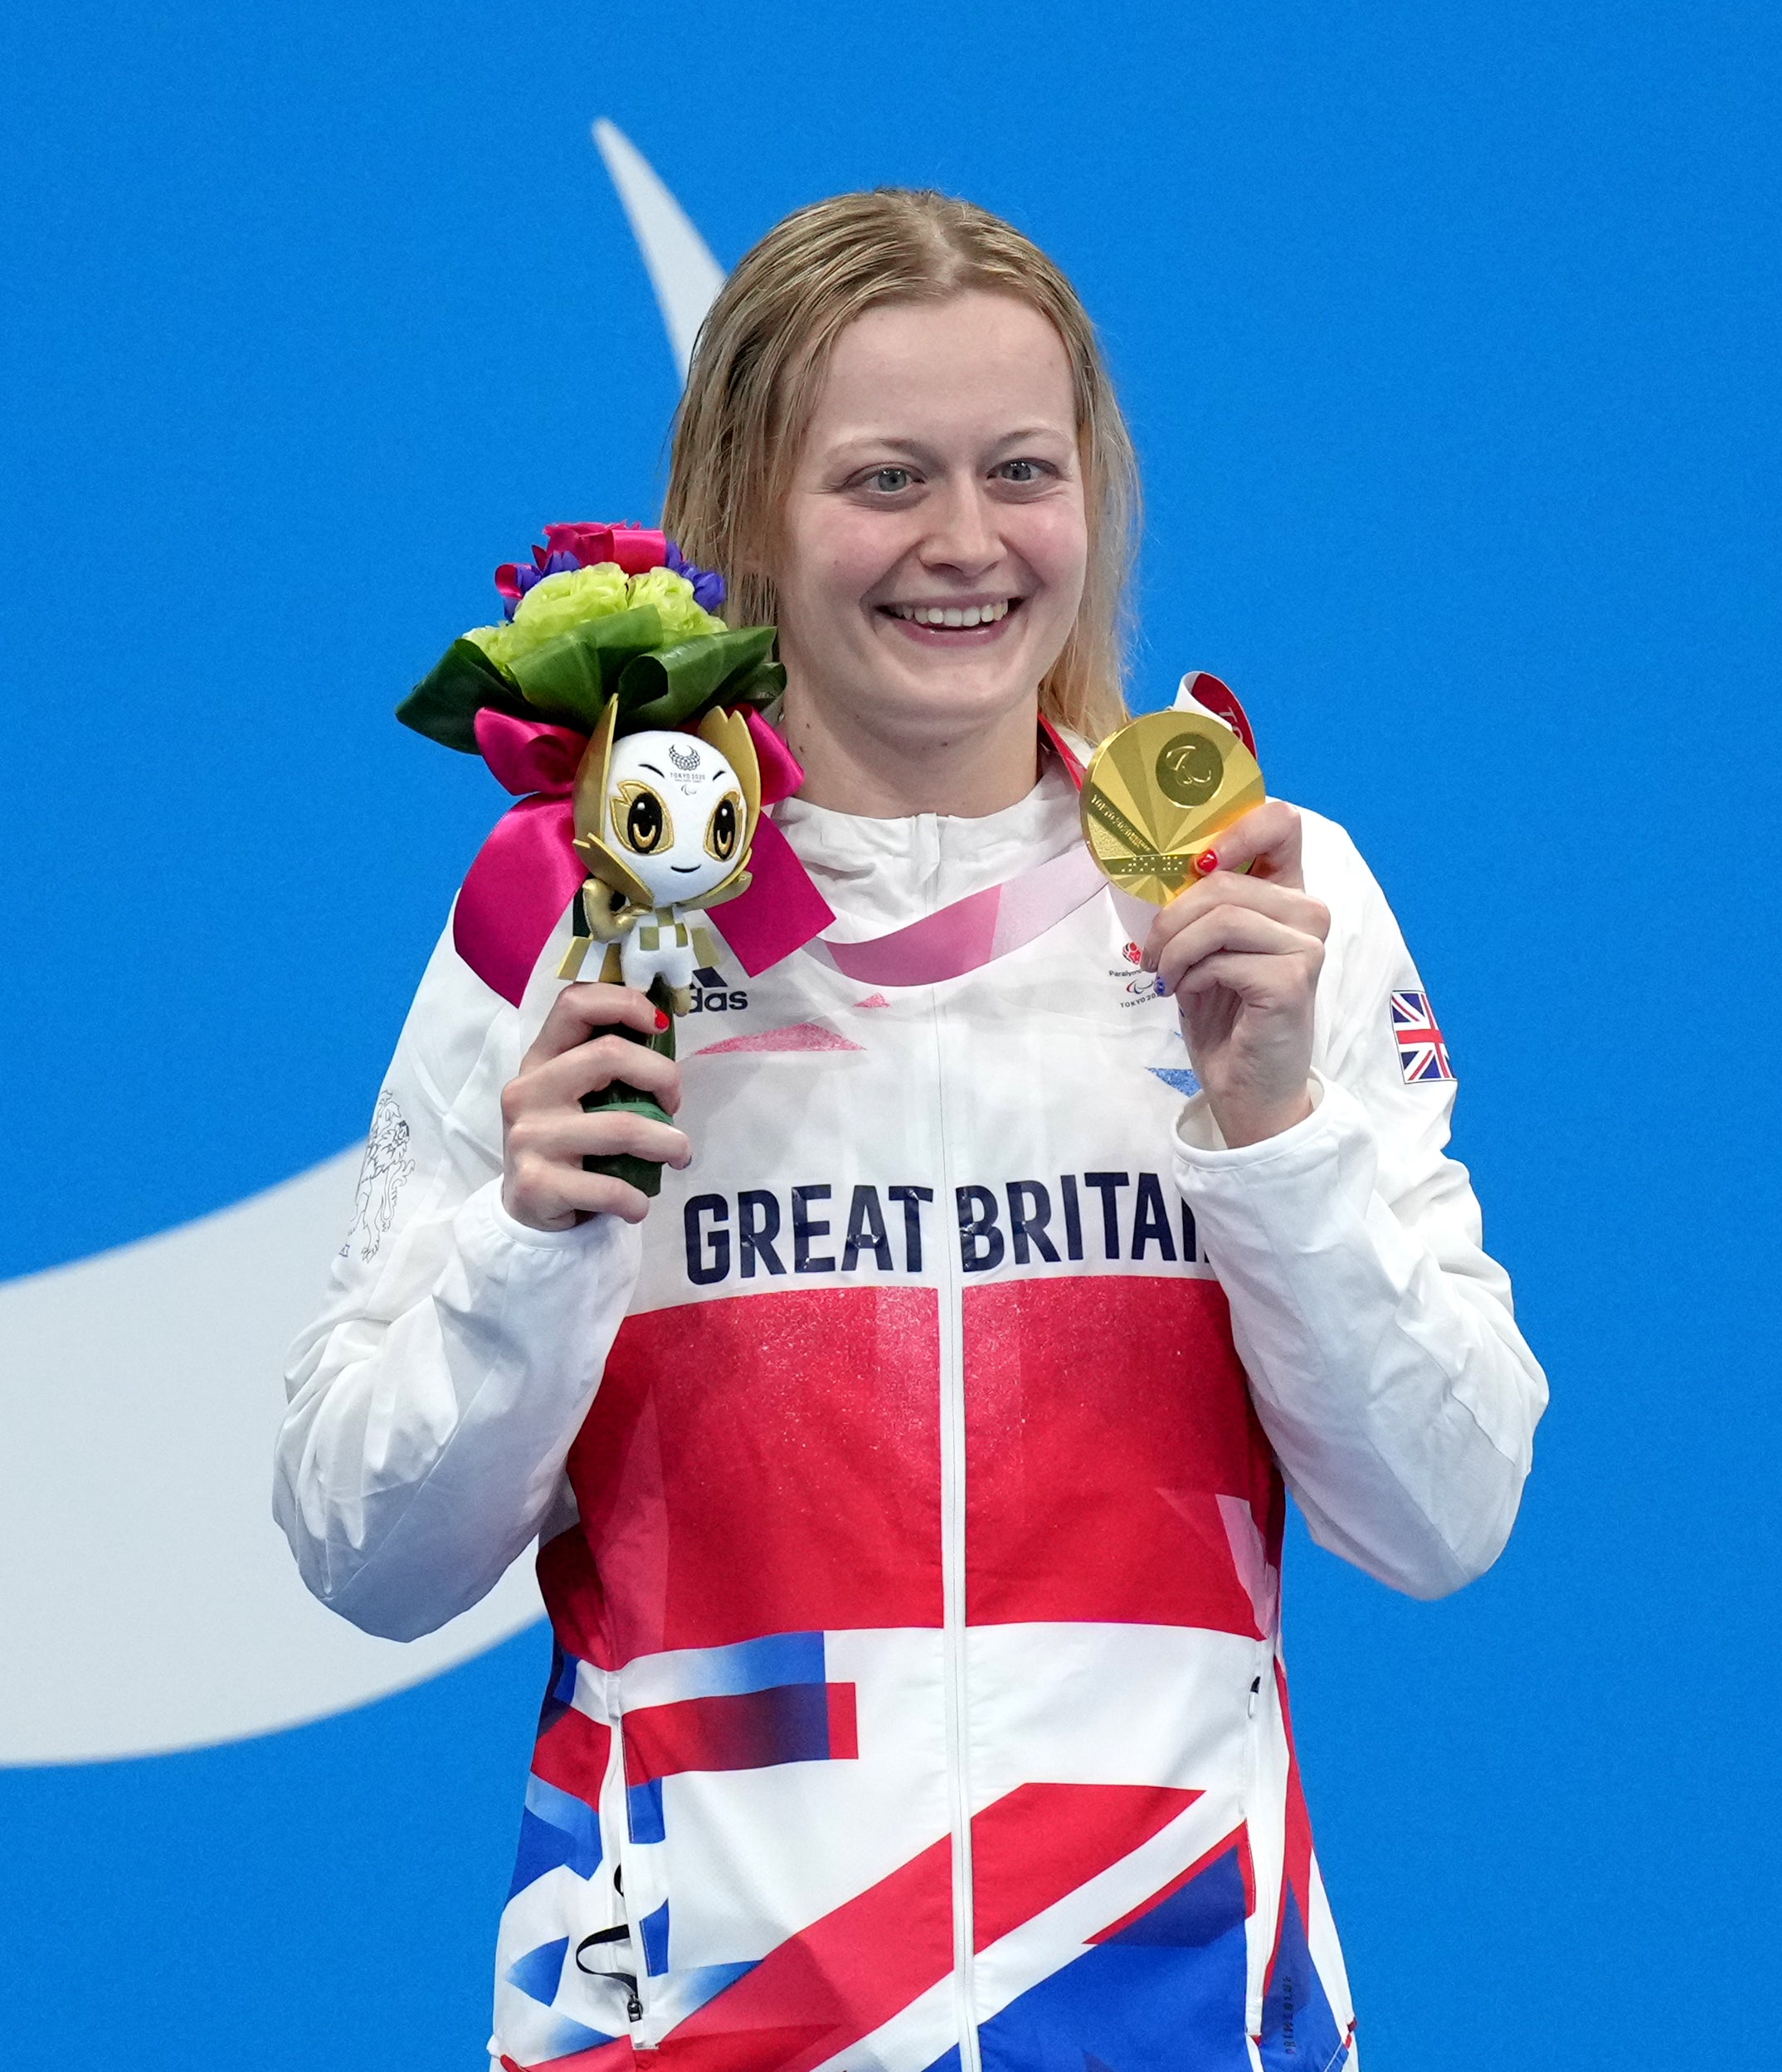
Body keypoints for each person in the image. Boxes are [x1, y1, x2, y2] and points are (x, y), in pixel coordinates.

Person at [275, 191, 1547, 2072]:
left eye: (1020, 471)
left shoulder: (1259, 901)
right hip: (692, 2024)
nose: (964, 545)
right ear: (747, 523)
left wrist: (1269, 1125)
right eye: (882, 480)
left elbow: (1444, 1515)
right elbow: (362, 1551)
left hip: (1176, 2009)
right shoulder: (580, 914)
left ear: (1090, 498)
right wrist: (532, 1241)